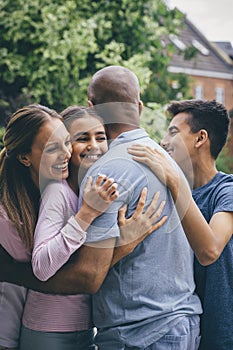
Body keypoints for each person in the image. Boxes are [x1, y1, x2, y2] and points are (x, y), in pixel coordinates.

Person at [0, 68, 201, 350]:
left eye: (100, 136)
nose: (94, 146)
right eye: (80, 139)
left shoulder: (90, 187)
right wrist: (120, 239)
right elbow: (78, 273)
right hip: (52, 327)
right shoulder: (62, 193)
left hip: (89, 329)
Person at [0, 104, 122, 349]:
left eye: (66, 142)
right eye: (52, 148)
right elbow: (44, 272)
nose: (66, 153)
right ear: (25, 157)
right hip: (11, 329)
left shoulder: (53, 192)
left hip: (65, 327)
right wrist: (88, 215)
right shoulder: (7, 215)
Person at [128, 99, 233, 350]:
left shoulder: (226, 191)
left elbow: (210, 250)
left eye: (173, 131)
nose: (164, 141)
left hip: (222, 336)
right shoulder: (167, 193)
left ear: (200, 139)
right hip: (182, 333)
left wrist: (173, 180)